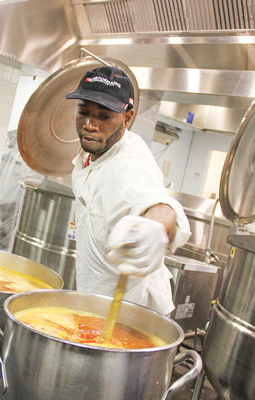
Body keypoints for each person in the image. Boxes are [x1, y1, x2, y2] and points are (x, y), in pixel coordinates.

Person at [65, 65, 191, 315]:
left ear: (128, 117)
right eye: (84, 112)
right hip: (96, 303)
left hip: (131, 314)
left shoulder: (129, 164)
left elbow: (159, 206)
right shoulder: (98, 150)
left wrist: (155, 226)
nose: (90, 125)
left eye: (104, 116)